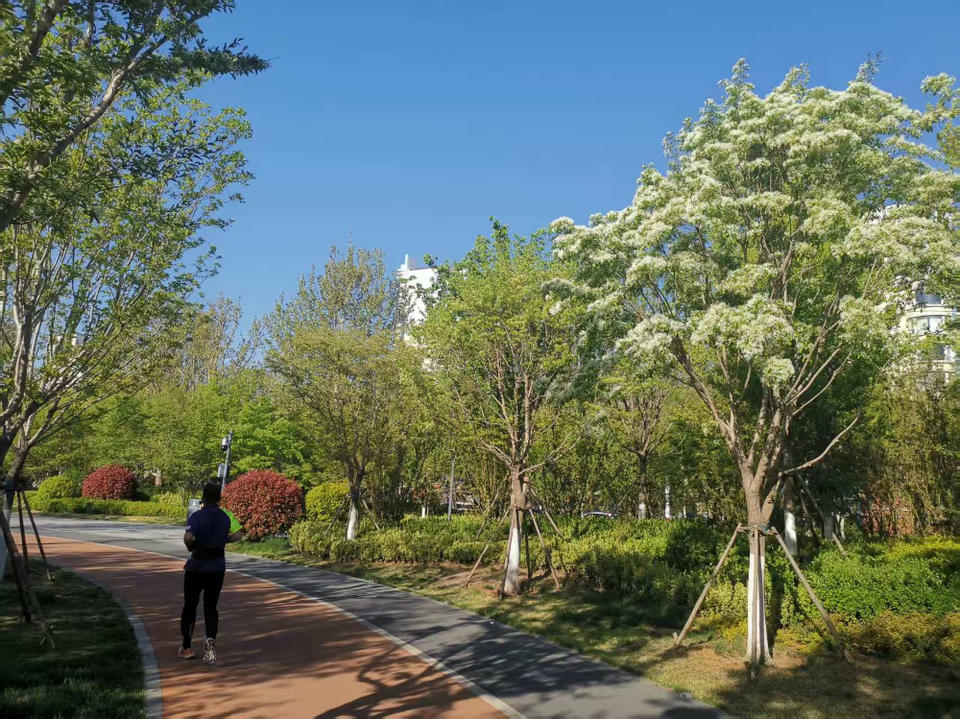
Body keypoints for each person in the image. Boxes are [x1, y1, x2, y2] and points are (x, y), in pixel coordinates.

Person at [179, 482, 242, 664]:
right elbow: (238, 535)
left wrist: (191, 546)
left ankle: (187, 647)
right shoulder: (225, 516)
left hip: (197, 566)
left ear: (203, 497)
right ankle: (210, 648)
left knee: (190, 605)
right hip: (217, 568)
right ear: (219, 498)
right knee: (211, 608)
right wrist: (223, 540)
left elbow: (188, 537)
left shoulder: (196, 516)